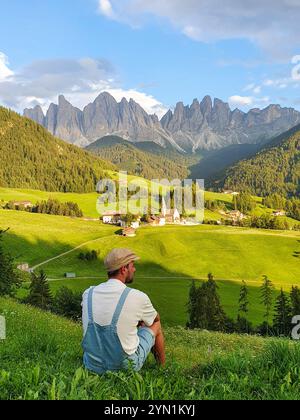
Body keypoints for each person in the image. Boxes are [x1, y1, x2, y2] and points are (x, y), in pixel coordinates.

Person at [82, 248, 166, 374]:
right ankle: (163, 369)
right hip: (124, 367)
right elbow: (156, 319)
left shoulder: (88, 293)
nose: (135, 269)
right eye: (133, 265)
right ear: (123, 269)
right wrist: (139, 320)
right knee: (156, 325)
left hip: (92, 365)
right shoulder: (137, 296)